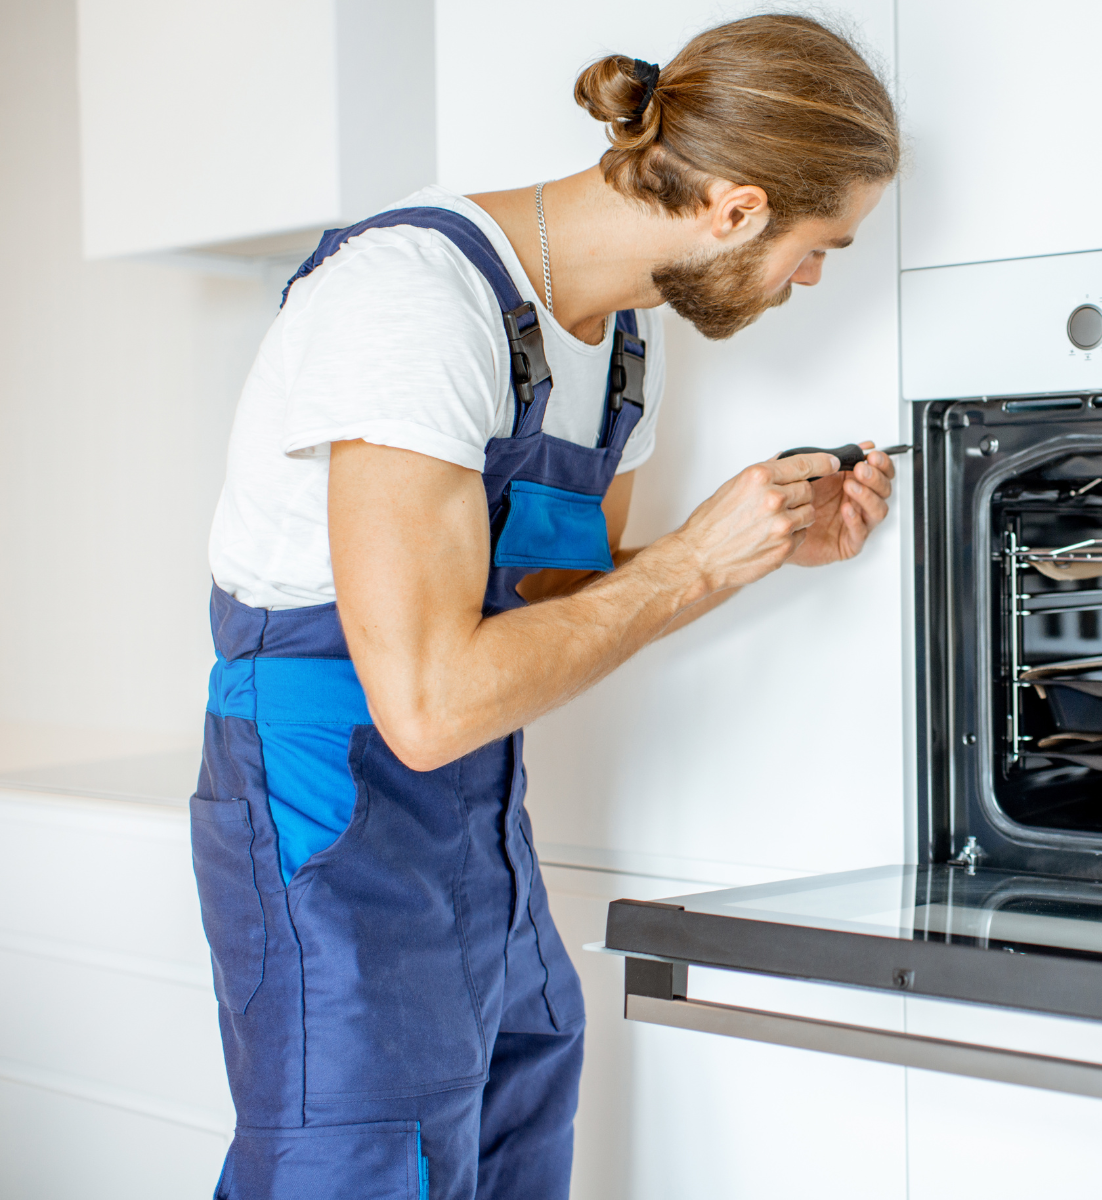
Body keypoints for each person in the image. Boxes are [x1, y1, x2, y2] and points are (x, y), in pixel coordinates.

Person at [189, 14, 900, 1198]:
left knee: (519, 1137)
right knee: (368, 1166)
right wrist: (695, 565)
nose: (811, 278)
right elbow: (423, 702)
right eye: (819, 244)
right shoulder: (414, 305)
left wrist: (762, 546)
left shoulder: (626, 345)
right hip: (327, 815)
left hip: (476, 825)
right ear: (735, 205)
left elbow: (558, 609)